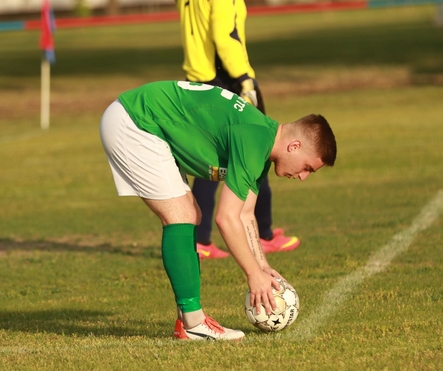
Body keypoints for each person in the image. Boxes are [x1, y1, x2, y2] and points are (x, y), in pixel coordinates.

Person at [99, 80, 336, 341]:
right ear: (294, 147)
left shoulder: (262, 144)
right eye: (307, 168)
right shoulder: (254, 138)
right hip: (136, 121)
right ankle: (192, 323)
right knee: (182, 215)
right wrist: (252, 275)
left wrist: (262, 266)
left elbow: (245, 215)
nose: (303, 177)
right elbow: (226, 218)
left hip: (141, 119)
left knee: (191, 215)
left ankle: (188, 321)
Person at [176, 0, 297, 260]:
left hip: (198, 84)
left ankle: (200, 240)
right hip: (228, 81)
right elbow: (224, 35)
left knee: (209, 164)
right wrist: (244, 81)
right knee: (258, 153)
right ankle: (265, 233)